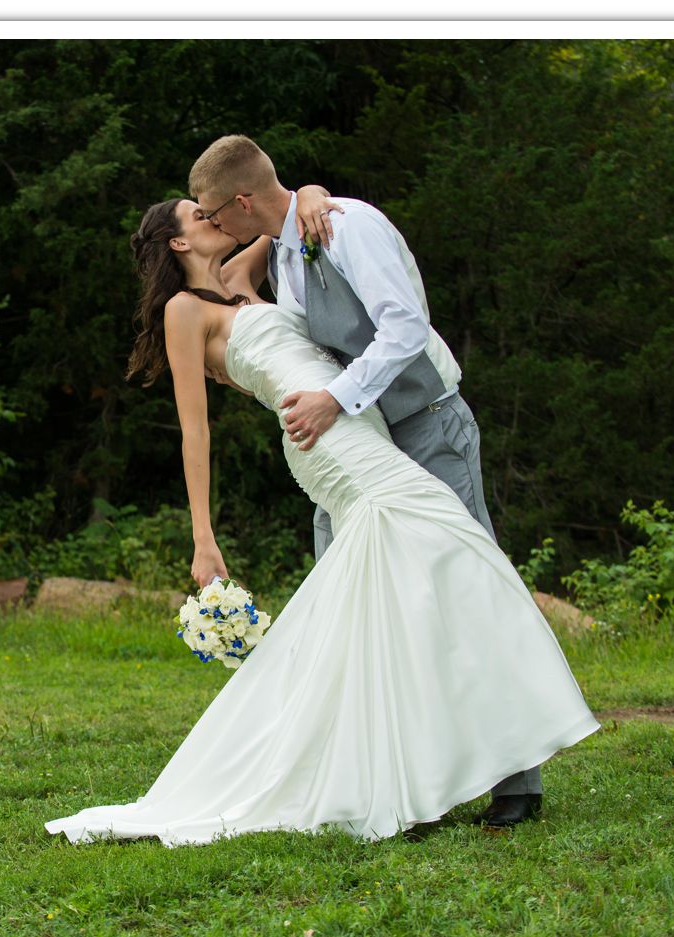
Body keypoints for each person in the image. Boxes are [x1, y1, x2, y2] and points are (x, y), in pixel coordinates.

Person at [41, 196, 599, 846]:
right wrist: (203, 538)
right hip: (326, 440)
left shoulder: (241, 277)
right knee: (443, 547)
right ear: (177, 243)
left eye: (213, 208)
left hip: (357, 418)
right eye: (198, 215)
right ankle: (427, 772)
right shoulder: (183, 311)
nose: (213, 218)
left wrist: (308, 192)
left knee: (384, 596)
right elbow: (195, 432)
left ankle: (403, 771)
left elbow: (274, 210)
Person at [189, 134, 539, 829]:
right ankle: (406, 782)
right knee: (367, 606)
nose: (209, 224)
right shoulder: (283, 249)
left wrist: (334, 398)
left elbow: (405, 327)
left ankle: (517, 780)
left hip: (426, 424)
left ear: (241, 203)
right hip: (360, 444)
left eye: (211, 211)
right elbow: (252, 293)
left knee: (463, 588)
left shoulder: (350, 228)